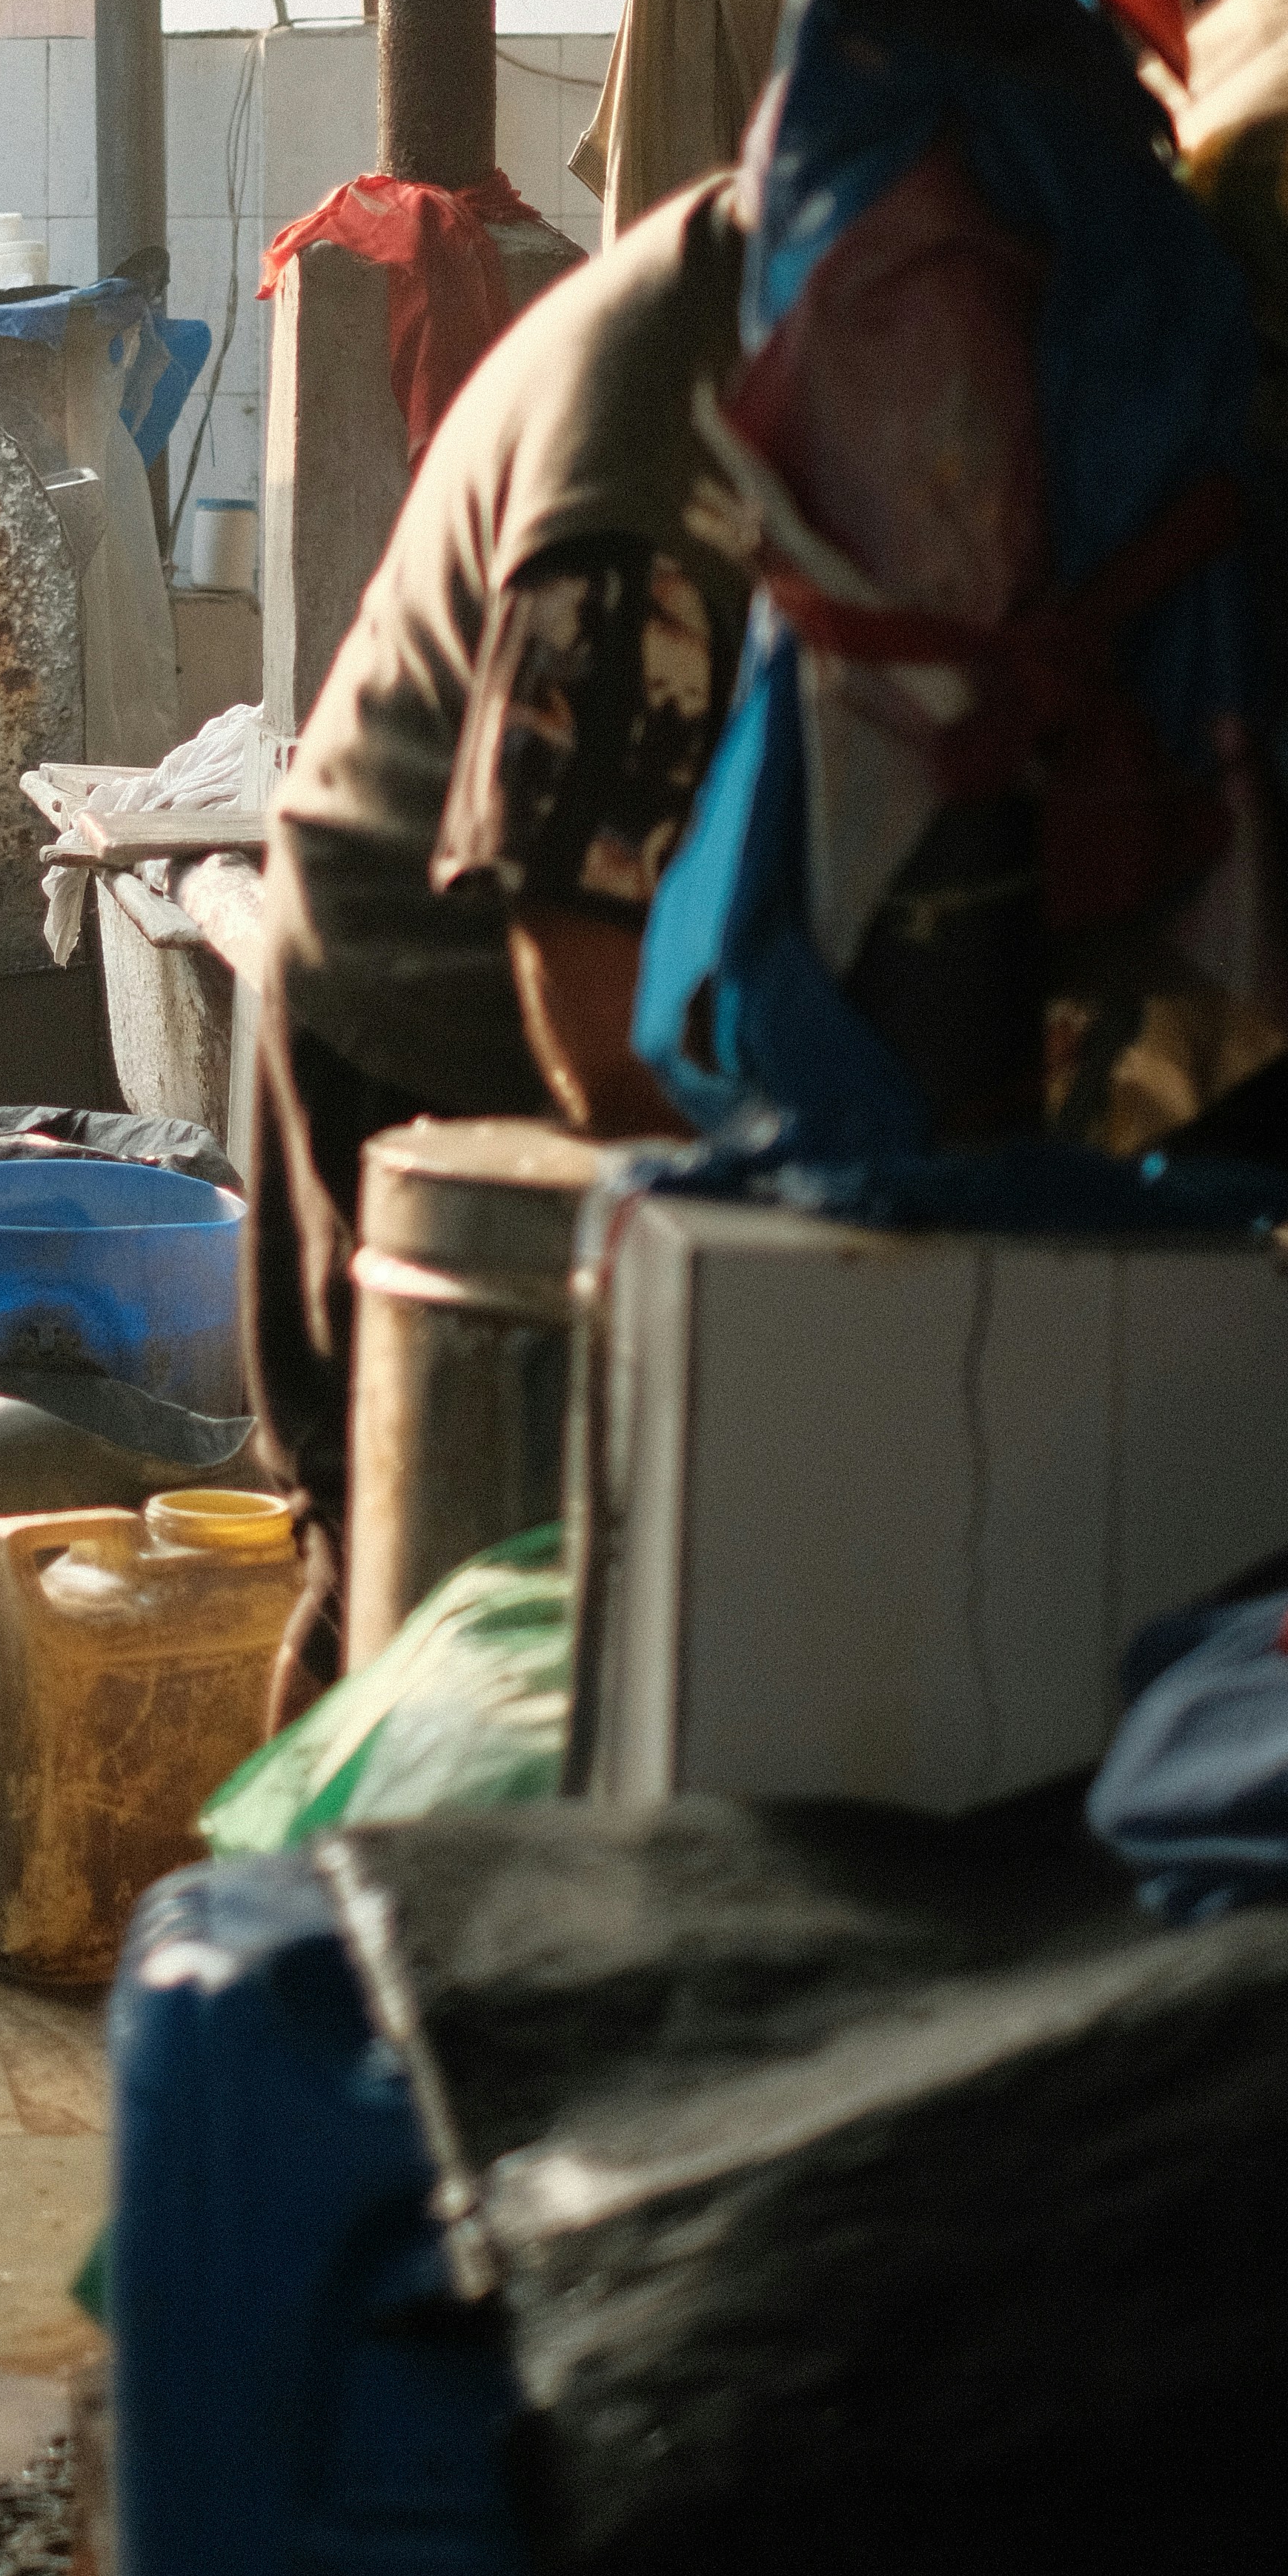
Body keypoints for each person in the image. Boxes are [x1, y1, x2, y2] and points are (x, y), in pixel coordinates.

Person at [245, 169, 752, 1682]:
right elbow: (591, 1027)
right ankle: (316, 1916)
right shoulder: (659, 441)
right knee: (411, 1574)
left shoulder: (796, 303)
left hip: (553, 969)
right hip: (425, 1002)